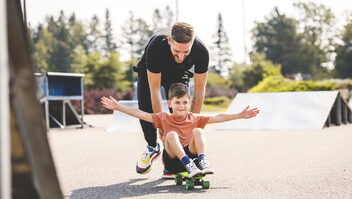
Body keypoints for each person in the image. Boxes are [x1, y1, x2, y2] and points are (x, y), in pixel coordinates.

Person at [101, 83, 260, 178]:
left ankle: (203, 161)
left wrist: (240, 115)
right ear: (170, 103)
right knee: (171, 134)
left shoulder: (194, 118)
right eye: (177, 102)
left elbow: (218, 117)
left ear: (189, 103)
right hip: (173, 161)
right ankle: (188, 164)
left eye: (185, 102)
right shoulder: (163, 118)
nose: (181, 106)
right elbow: (142, 114)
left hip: (192, 156)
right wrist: (119, 107)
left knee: (198, 131)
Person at [133, 22, 209, 175]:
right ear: (170, 41)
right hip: (150, 71)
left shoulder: (201, 51)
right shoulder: (156, 47)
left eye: (185, 52)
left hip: (179, 74)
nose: (181, 56)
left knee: (179, 107)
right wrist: (163, 130)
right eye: (176, 51)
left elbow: (199, 91)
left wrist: (190, 126)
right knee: (146, 107)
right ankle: (152, 147)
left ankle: (175, 156)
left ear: (192, 44)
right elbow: (154, 90)